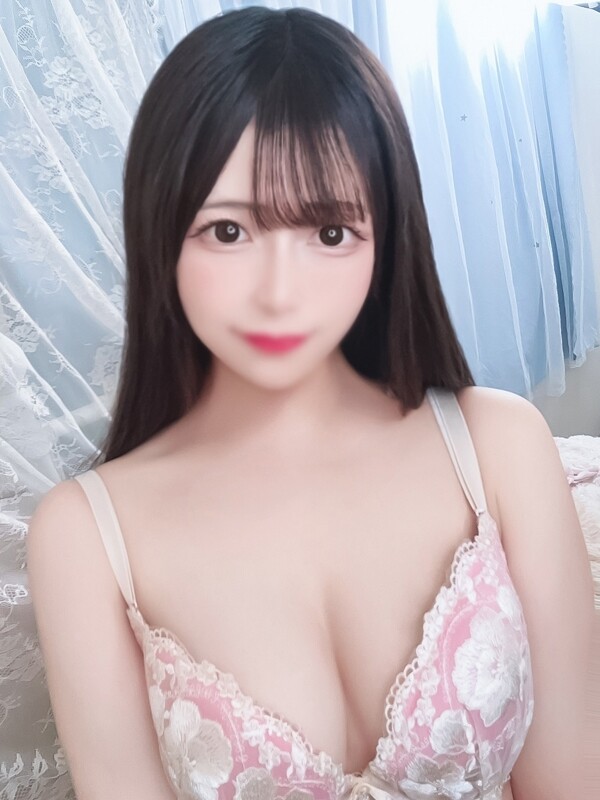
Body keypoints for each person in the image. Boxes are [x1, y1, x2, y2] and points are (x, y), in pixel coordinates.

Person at [25, 6, 594, 800]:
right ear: (162, 229)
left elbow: (574, 780)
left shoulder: (499, 445)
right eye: (229, 232)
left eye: (329, 233)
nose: (280, 293)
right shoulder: (85, 535)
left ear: (385, 236)